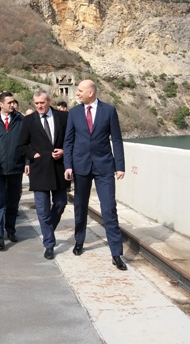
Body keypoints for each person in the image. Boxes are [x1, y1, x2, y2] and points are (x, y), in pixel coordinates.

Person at [63, 80, 127, 271]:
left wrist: (120, 166)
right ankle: (79, 241)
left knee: (109, 209)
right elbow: (68, 141)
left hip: (104, 166)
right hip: (80, 166)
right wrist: (68, 165)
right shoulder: (74, 113)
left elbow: (116, 140)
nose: (77, 94)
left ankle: (116, 253)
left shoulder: (109, 111)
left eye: (80, 91)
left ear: (91, 92)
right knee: (80, 206)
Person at [17, 90, 70, 260]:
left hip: (59, 169)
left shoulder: (63, 117)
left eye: (42, 102)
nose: (39, 106)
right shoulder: (28, 120)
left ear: (49, 101)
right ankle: (49, 244)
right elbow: (21, 145)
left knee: (60, 204)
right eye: (36, 103)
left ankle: (48, 230)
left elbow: (71, 140)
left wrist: (64, 151)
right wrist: (34, 155)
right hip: (39, 170)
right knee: (42, 210)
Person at [0, 91, 25, 248]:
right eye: (9, 102)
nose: (12, 105)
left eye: (13, 102)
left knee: (13, 202)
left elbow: (26, 143)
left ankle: (10, 230)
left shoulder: (21, 120)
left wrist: (26, 162)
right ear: (1, 104)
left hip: (16, 168)